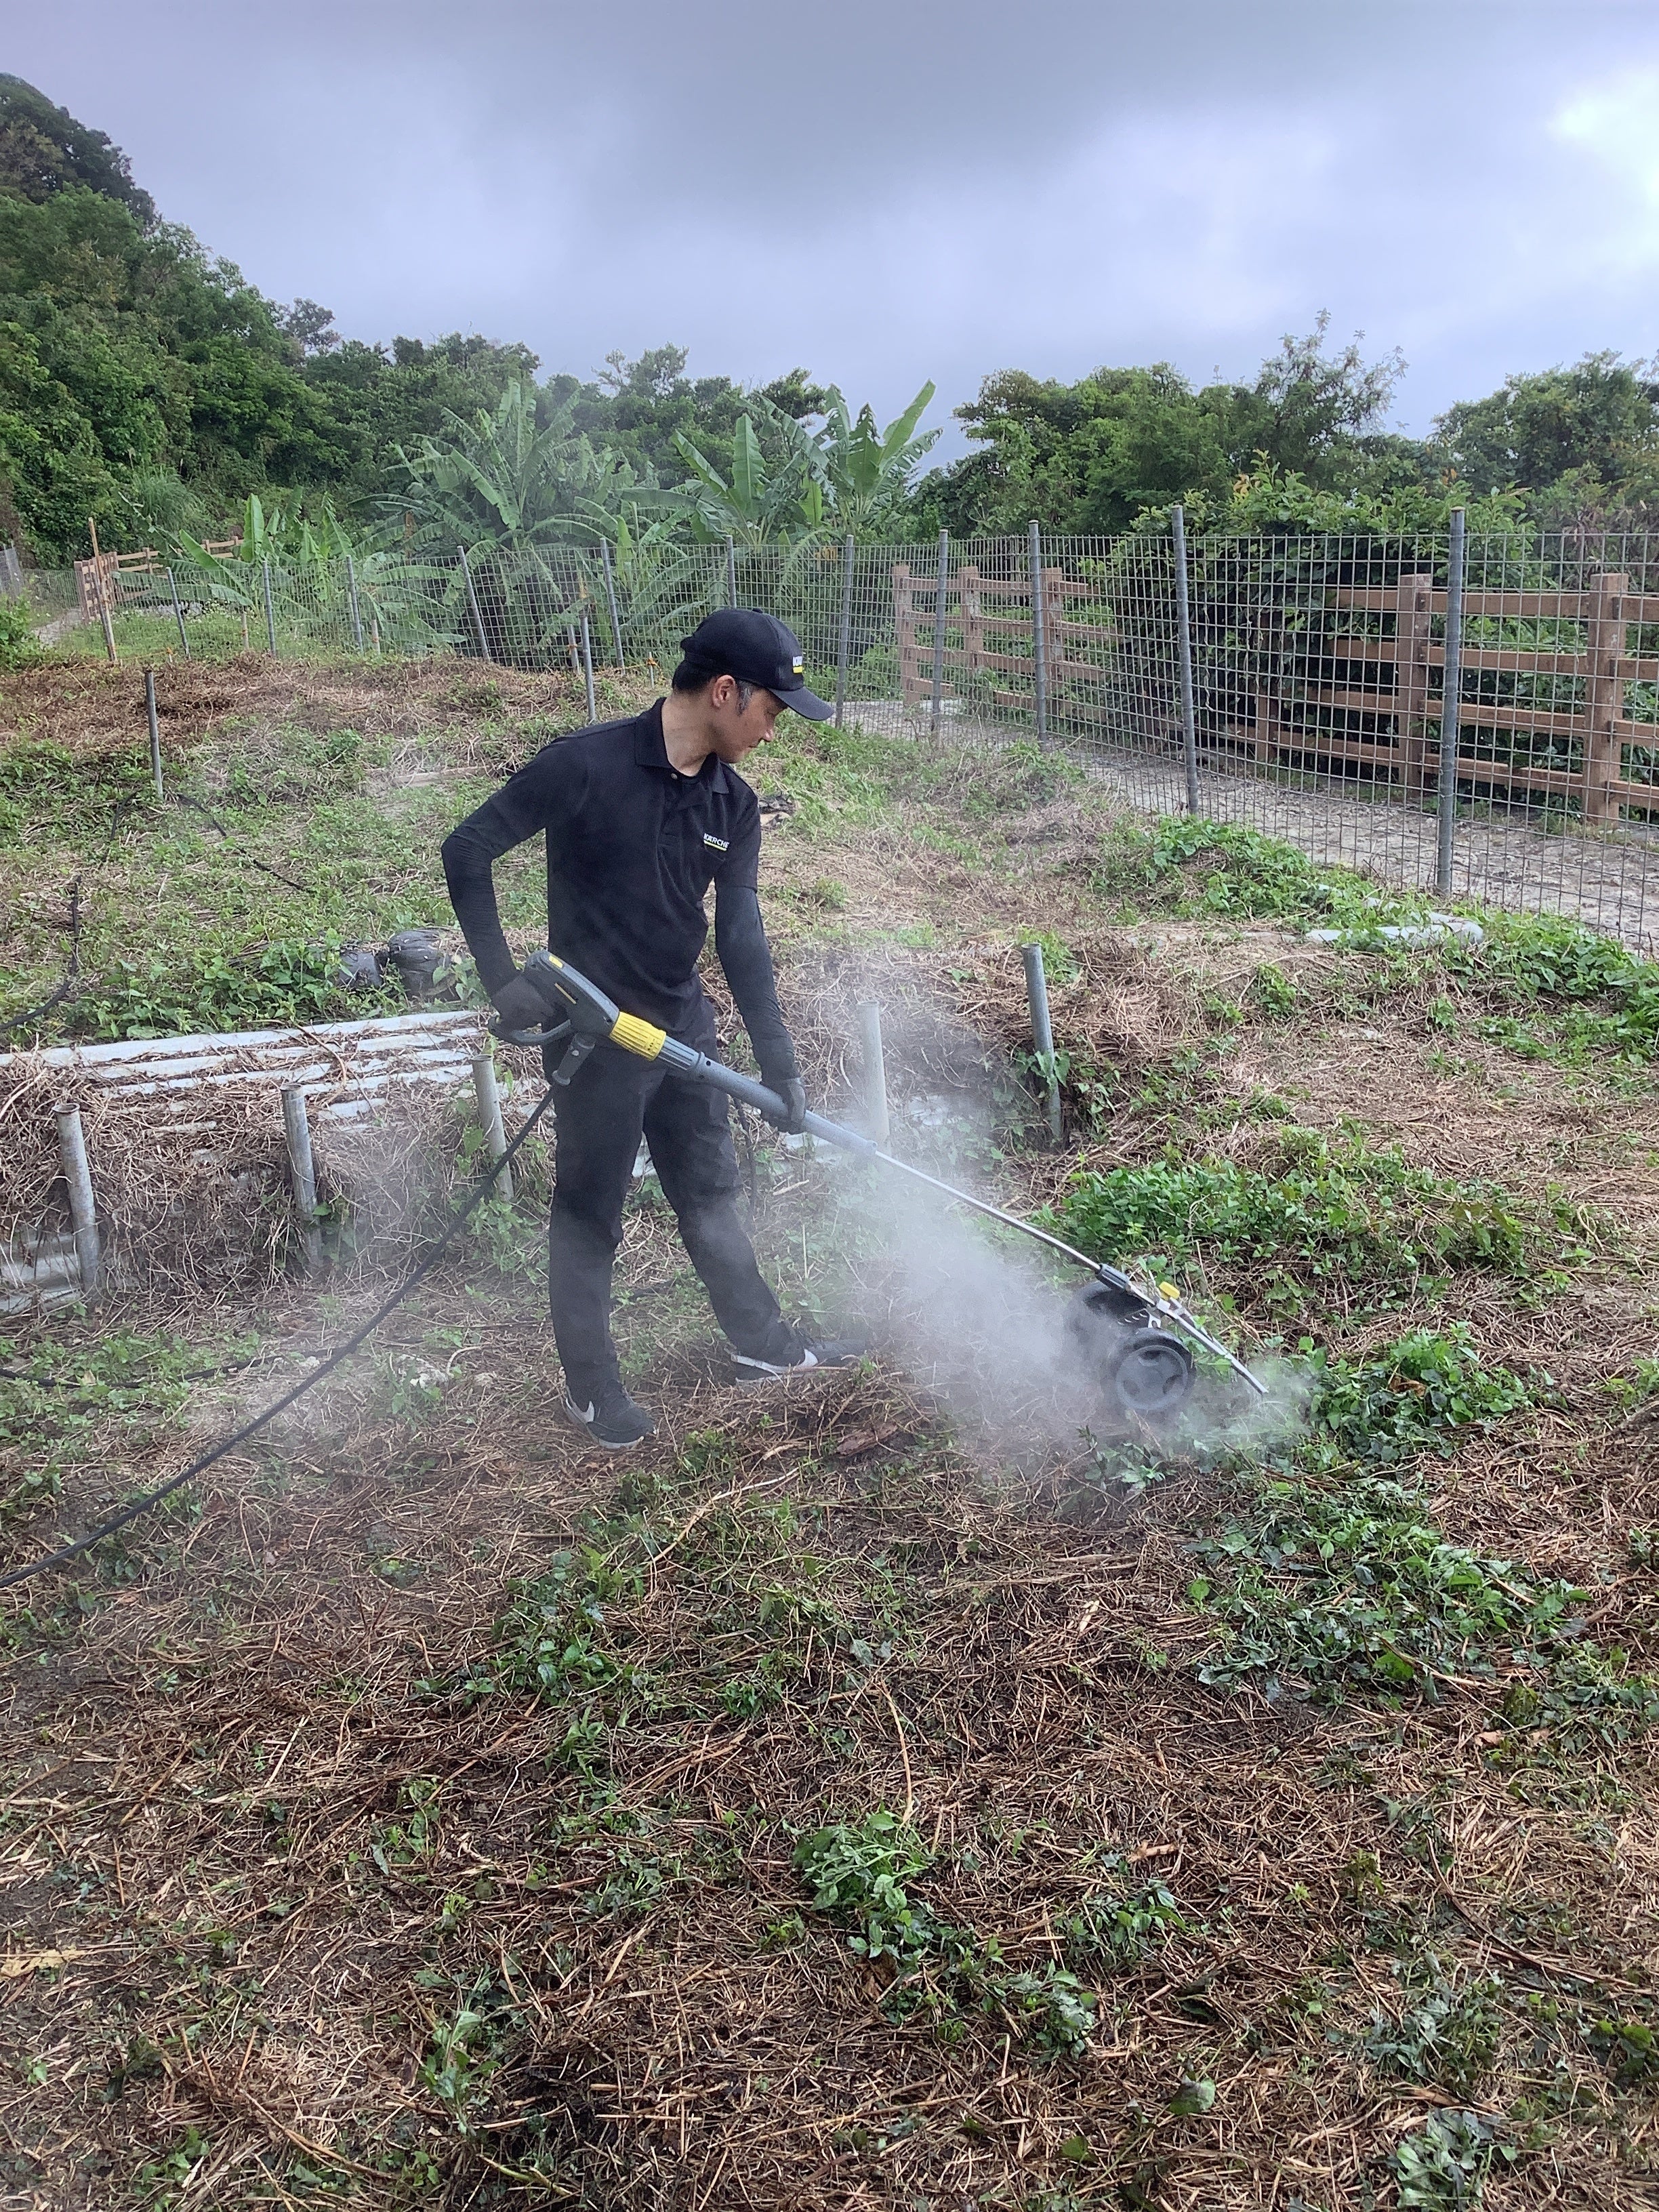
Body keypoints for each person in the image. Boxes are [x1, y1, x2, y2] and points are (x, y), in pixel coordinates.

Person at [441, 609, 865, 1449]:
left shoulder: (732, 804)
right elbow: (468, 849)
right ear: (723, 691)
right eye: (771, 711)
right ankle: (592, 1389)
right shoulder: (586, 765)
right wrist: (502, 980)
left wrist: (776, 1059)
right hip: (597, 1033)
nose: (773, 730)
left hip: (682, 1024)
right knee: (590, 1211)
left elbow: (740, 934)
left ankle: (759, 1343)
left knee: (710, 1189)